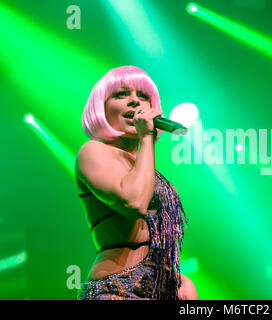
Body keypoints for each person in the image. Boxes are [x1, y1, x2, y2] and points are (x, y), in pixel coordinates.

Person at [75, 66, 197, 300]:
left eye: (143, 96)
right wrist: (146, 137)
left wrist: (178, 280)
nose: (135, 101)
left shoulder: (145, 166)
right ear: (102, 107)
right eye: (121, 94)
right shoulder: (93, 151)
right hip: (119, 290)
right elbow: (134, 202)